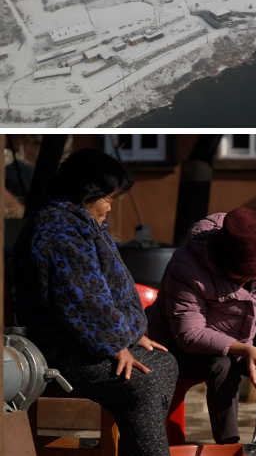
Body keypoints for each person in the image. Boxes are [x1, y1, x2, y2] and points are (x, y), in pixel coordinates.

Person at [12, 149, 177, 456]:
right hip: (66, 351)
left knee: (163, 364)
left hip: (90, 341)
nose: (110, 208)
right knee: (145, 383)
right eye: (108, 198)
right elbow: (84, 303)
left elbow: (102, 293)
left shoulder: (78, 221)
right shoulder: (58, 232)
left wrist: (131, 336)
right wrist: (116, 344)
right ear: (84, 192)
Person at [146, 207, 256, 444]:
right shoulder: (186, 266)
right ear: (221, 260)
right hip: (178, 348)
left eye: (254, 273)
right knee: (223, 365)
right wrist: (244, 349)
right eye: (241, 274)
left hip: (242, 339)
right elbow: (189, 333)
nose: (248, 279)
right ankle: (230, 446)